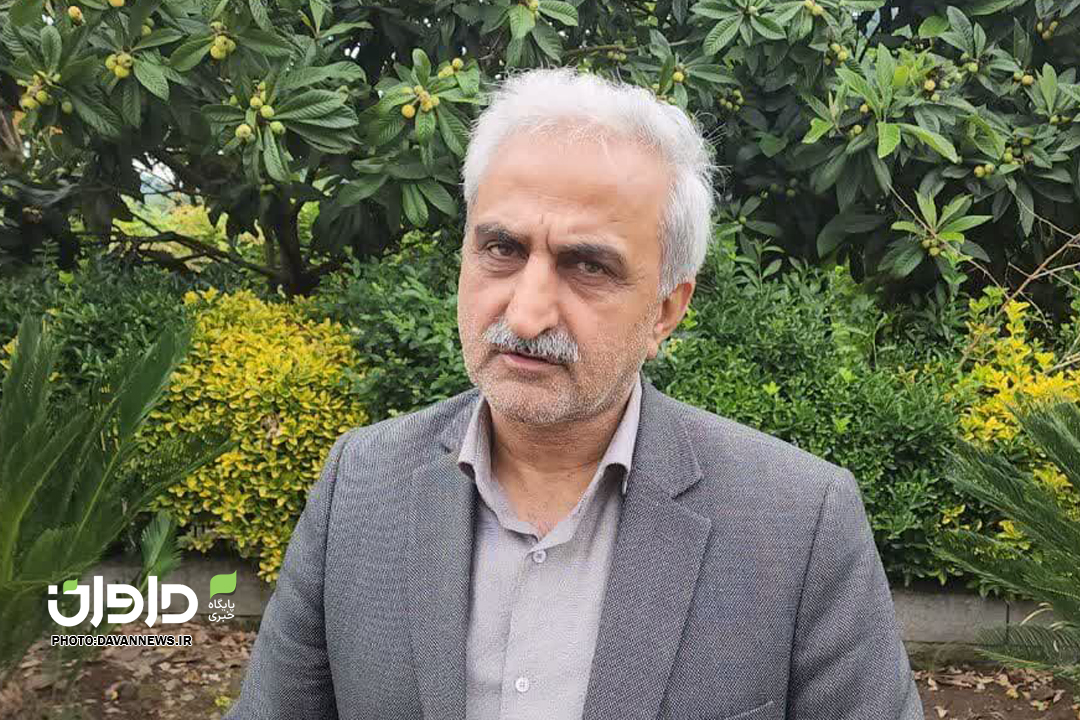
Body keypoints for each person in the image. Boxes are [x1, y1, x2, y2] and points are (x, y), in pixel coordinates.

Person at [225, 66, 923, 720]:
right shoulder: (360, 484)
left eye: (588, 266)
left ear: (666, 311)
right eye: (502, 249)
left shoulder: (798, 525)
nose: (527, 314)